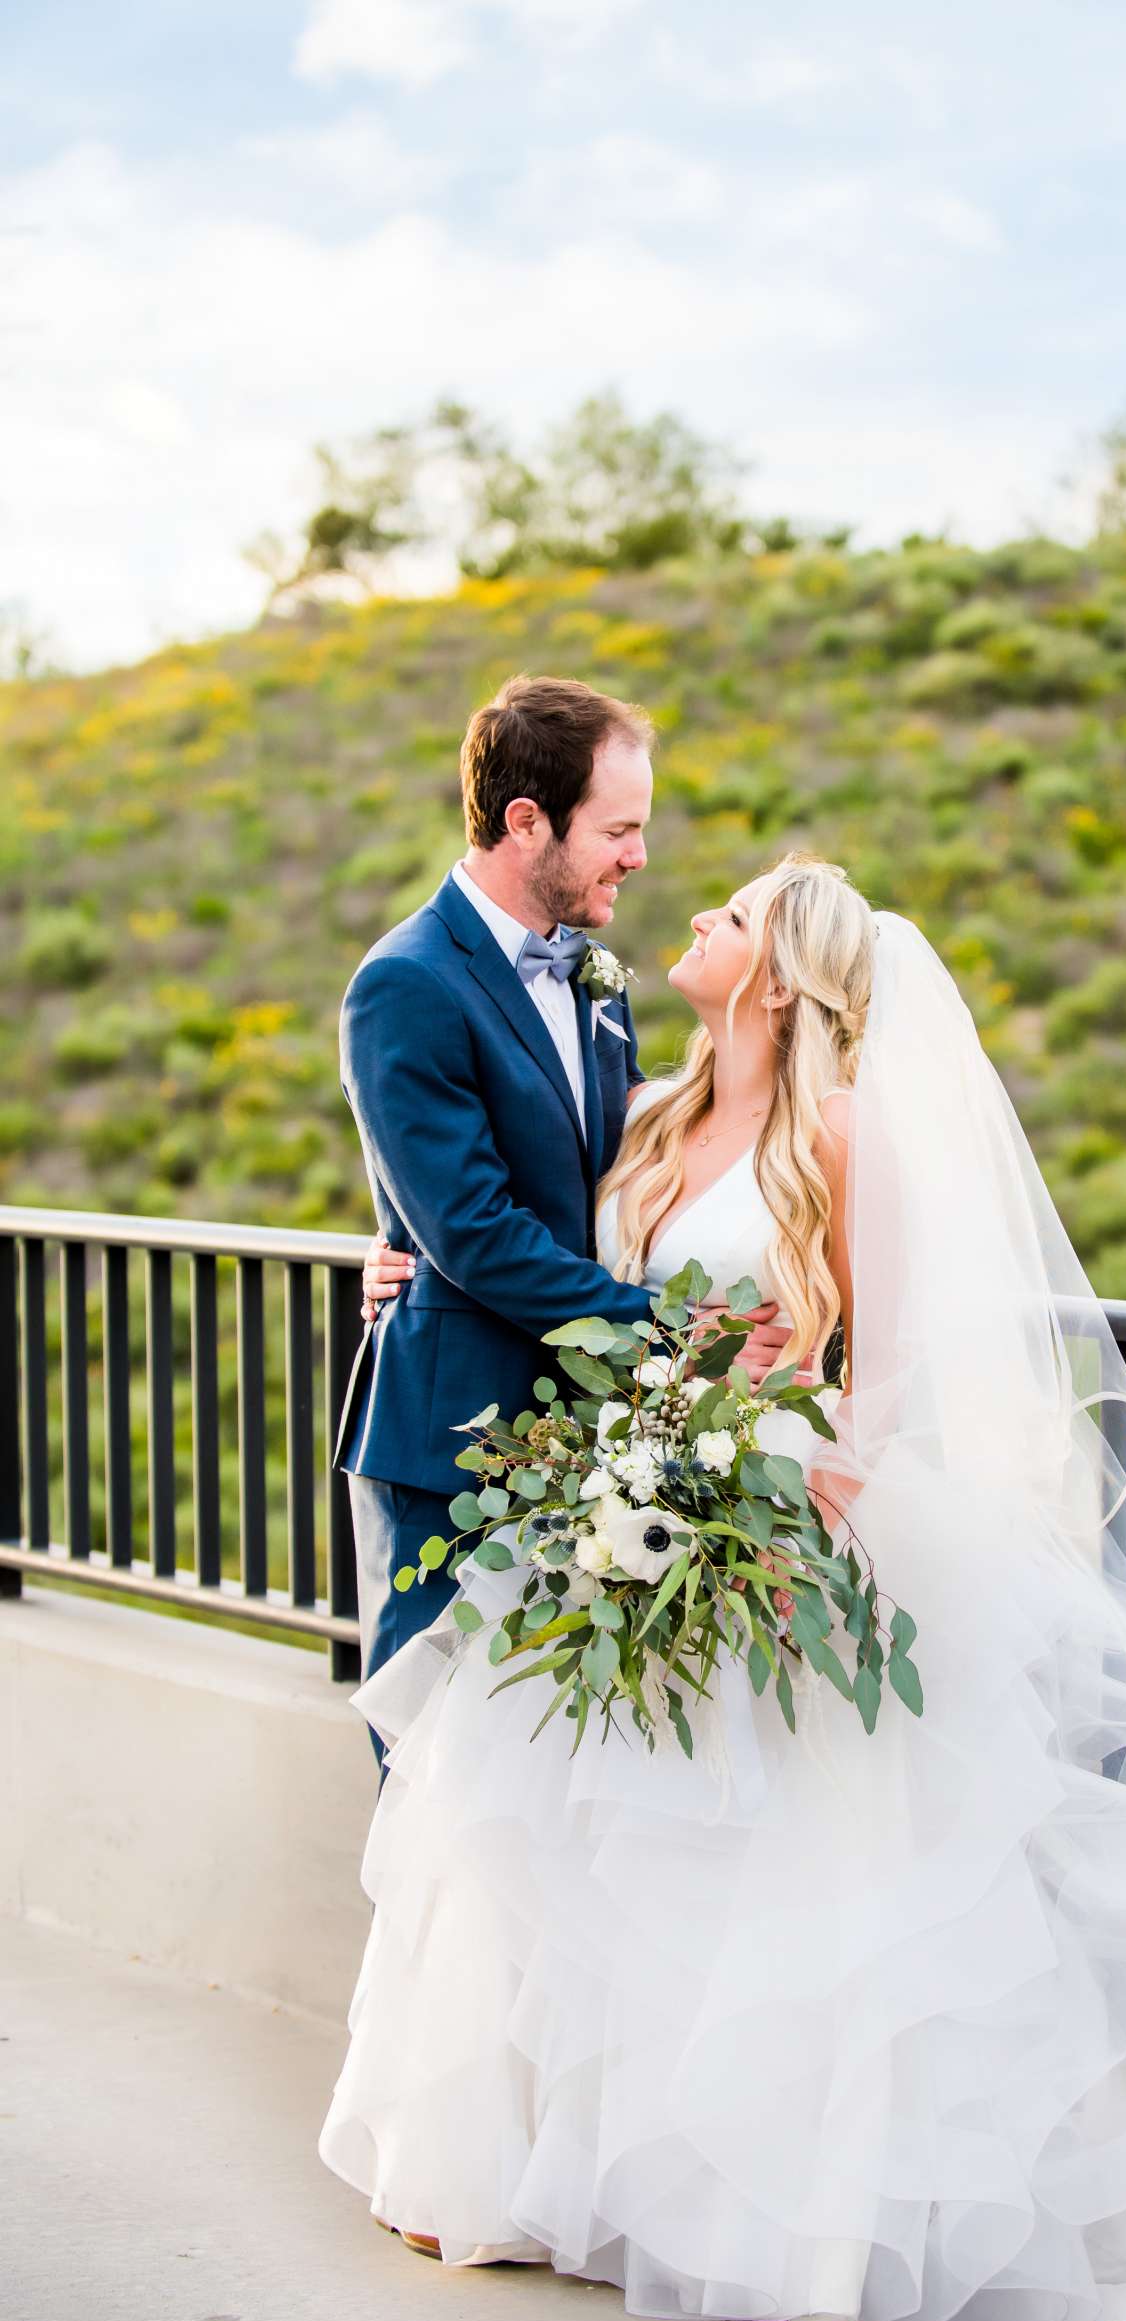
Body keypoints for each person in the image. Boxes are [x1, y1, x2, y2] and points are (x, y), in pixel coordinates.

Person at [320, 854, 1126, 2321]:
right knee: (589, 1851)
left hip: (781, 1525)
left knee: (817, 1887)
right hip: (628, 1515)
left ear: (779, 972)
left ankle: (867, 2222)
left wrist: (797, 1485)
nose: (694, 914)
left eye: (731, 915)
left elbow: (887, 1377)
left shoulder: (843, 1132)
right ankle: (570, 2177)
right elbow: (531, 1253)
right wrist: (400, 1269)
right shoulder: (648, 1113)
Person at [332, 673, 790, 1757]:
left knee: (549, 1774)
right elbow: (478, 1233)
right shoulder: (404, 984)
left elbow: (603, 1170)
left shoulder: (595, 971)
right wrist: (679, 1333)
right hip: (458, 1445)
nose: (637, 858)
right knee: (437, 1763)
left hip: (592, 1444)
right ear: (525, 821)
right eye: (617, 830)